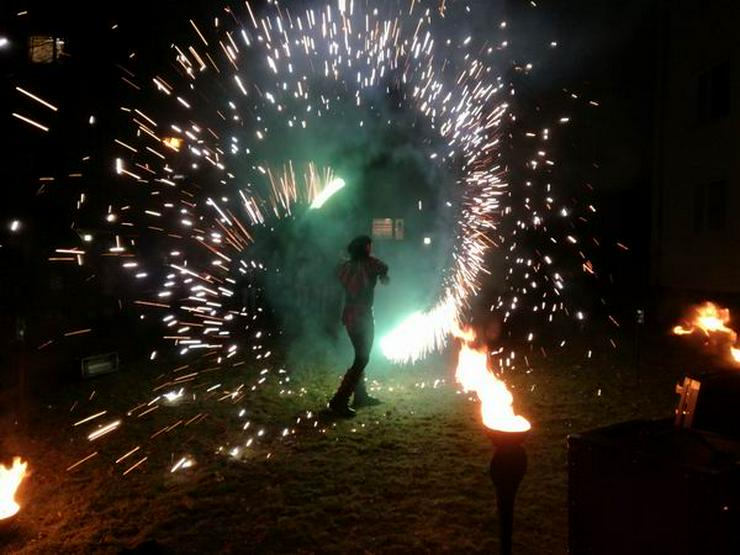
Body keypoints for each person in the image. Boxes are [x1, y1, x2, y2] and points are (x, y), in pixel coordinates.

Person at [328, 235, 389, 417]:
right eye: (369, 246)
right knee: (362, 358)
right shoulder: (369, 264)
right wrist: (383, 275)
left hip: (350, 314)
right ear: (365, 248)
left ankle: (360, 395)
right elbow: (382, 266)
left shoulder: (346, 266)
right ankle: (339, 400)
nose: (372, 249)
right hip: (361, 315)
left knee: (361, 356)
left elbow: (338, 272)